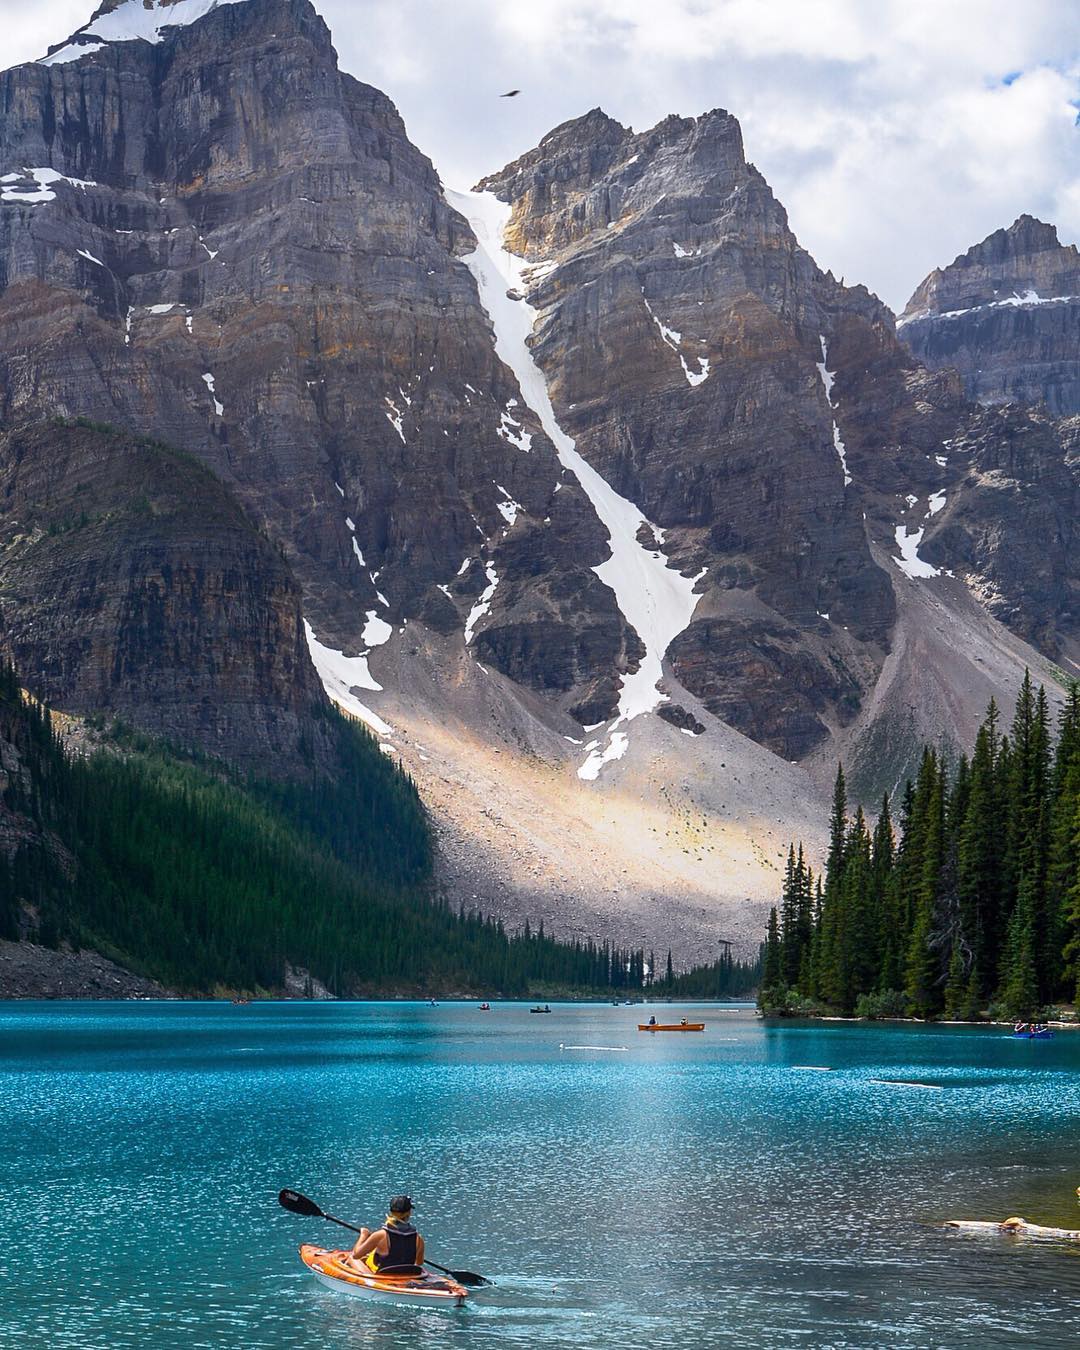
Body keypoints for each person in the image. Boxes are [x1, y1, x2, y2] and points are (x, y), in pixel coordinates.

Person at [345, 1195, 425, 1274]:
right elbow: (419, 1262)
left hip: (383, 1277)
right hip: (406, 1276)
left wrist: (364, 1235)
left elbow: (356, 1255)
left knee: (351, 1258)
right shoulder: (418, 1238)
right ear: (409, 1213)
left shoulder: (380, 1235)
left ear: (391, 1212)